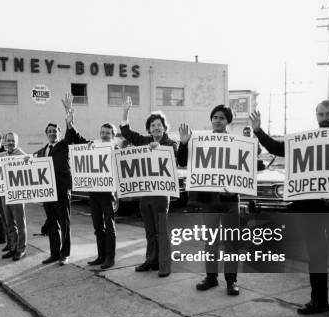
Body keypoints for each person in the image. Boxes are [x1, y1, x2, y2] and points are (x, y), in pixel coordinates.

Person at [249, 100, 329, 317]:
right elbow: (277, 148)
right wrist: (258, 131)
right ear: (316, 116)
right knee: (316, 256)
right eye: (321, 114)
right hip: (310, 209)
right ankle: (319, 301)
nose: (325, 117)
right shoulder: (306, 142)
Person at [178, 105, 240, 295]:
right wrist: (183, 143)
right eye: (215, 117)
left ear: (228, 121)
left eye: (221, 117)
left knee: (231, 242)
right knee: (210, 241)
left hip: (230, 199)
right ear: (211, 120)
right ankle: (211, 278)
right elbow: (182, 161)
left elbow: (248, 164)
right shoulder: (199, 141)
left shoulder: (236, 141)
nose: (217, 120)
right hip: (209, 200)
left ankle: (231, 281)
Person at [120, 96, 178, 278]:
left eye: (159, 125)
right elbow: (127, 133)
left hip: (161, 194)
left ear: (165, 127)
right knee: (150, 230)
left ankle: (165, 264)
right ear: (149, 129)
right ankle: (151, 260)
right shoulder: (143, 141)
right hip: (145, 194)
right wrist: (126, 111)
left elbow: (174, 156)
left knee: (162, 230)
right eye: (152, 125)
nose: (156, 128)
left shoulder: (170, 143)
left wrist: (158, 147)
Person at [63, 94, 117, 269]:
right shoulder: (93, 146)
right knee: (97, 226)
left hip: (109, 194)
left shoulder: (116, 150)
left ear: (113, 136)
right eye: (102, 132)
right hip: (94, 193)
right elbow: (76, 138)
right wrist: (69, 120)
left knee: (109, 226)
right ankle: (101, 256)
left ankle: (110, 258)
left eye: (108, 133)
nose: (104, 135)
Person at [36, 115, 73, 265]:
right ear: (46, 133)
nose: (52, 133)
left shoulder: (64, 145)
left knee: (64, 223)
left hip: (62, 190)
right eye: (49, 131)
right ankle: (54, 253)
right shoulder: (41, 151)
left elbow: (70, 135)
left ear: (58, 132)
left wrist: (69, 121)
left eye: (55, 131)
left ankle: (65, 254)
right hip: (47, 192)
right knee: (52, 223)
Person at [0, 132, 28, 261]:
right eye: (8, 140)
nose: (10, 143)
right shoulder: (3, 155)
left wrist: (28, 160)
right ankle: (13, 247)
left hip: (17, 194)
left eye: (13, 141)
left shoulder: (21, 155)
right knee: (9, 223)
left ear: (17, 142)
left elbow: (31, 163)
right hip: (5, 193)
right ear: (5, 142)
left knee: (20, 223)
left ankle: (21, 249)